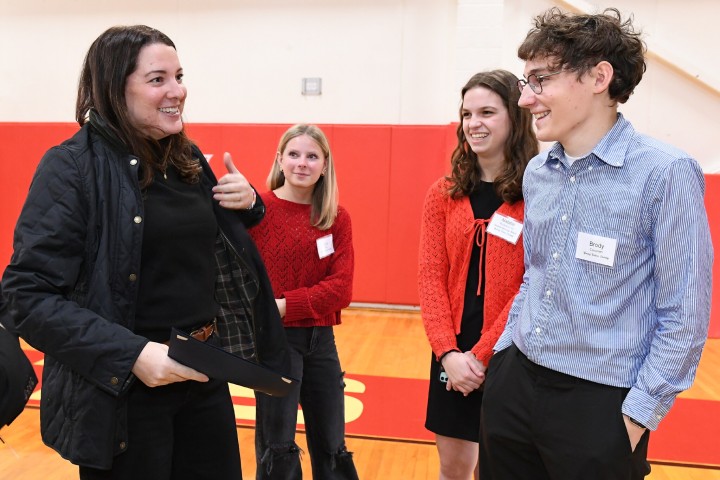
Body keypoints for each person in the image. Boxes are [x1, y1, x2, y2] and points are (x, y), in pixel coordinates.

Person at [1, 25, 290, 479]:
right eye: (158, 79)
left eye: (179, 76)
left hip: (203, 373)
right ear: (116, 90)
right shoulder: (72, 167)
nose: (178, 91)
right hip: (124, 395)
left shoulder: (186, 158)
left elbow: (201, 252)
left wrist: (249, 207)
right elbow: (26, 297)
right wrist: (134, 355)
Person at [480, 8, 713, 480]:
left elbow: (684, 319)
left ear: (598, 77)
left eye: (540, 79)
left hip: (600, 407)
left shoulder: (665, 174)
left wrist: (633, 420)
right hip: (514, 386)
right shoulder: (537, 173)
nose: (526, 98)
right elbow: (534, 276)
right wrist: (504, 359)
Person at [417, 70, 538, 480]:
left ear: (515, 118)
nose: (474, 123)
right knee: (453, 469)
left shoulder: (538, 192)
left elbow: (532, 284)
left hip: (510, 354)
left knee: (502, 469)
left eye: (487, 111)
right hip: (450, 353)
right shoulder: (444, 193)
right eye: (467, 113)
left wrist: (481, 357)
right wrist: (449, 354)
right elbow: (430, 277)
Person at [249, 124, 359, 479]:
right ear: (280, 160)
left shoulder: (336, 217)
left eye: (312, 156)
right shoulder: (258, 211)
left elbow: (341, 290)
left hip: (321, 343)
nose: (302, 163)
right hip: (277, 344)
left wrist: (284, 306)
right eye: (294, 154)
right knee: (278, 445)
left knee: (332, 443)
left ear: (325, 165)